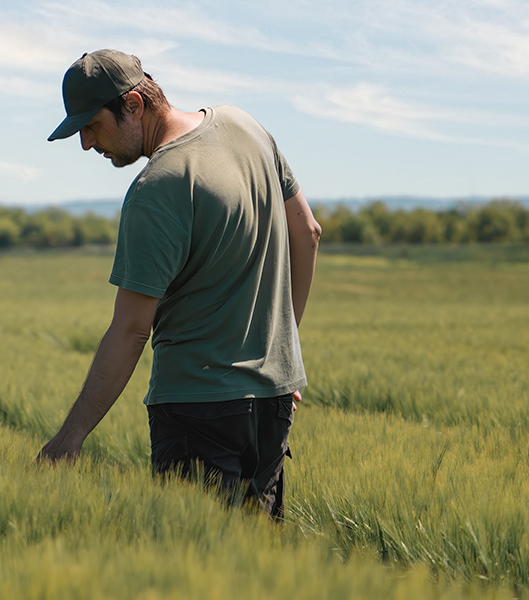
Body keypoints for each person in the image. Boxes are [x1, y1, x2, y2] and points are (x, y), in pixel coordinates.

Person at [37, 49, 322, 520]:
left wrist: (70, 438)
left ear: (133, 104)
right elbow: (307, 234)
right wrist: (284, 352)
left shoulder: (157, 190)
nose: (86, 144)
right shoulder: (244, 125)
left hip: (197, 410)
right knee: (258, 573)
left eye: (91, 126)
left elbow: (130, 330)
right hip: (274, 404)